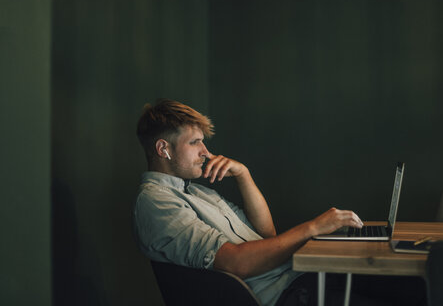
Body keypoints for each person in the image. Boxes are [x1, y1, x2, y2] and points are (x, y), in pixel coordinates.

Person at [133, 99, 426, 306]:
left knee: (420, 284)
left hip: (299, 280)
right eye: (195, 142)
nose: (206, 152)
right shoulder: (156, 203)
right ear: (164, 149)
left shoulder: (197, 193)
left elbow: (267, 235)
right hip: (288, 295)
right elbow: (236, 262)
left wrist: (244, 174)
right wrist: (313, 227)